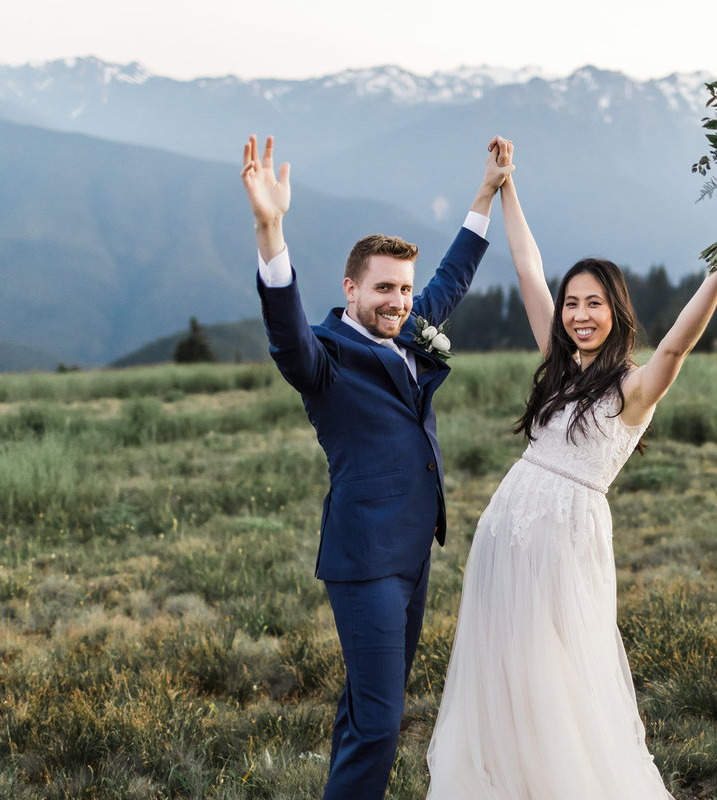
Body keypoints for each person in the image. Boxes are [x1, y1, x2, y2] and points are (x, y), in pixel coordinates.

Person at [425, 157, 717, 799]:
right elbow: (527, 267)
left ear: (616, 311)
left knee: (556, 673)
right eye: (572, 303)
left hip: (564, 541)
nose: (579, 314)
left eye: (593, 304)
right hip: (504, 535)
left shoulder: (633, 388)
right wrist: (508, 188)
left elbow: (677, 345)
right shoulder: (557, 366)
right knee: (506, 671)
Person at [241, 133, 514, 800]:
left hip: (414, 554)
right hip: (366, 563)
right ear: (350, 288)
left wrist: (485, 194)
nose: (398, 301)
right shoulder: (325, 358)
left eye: (403, 289)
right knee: (383, 724)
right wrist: (271, 230)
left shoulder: (407, 326)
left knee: (366, 710)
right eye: (383, 289)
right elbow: (286, 336)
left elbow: (449, 280)